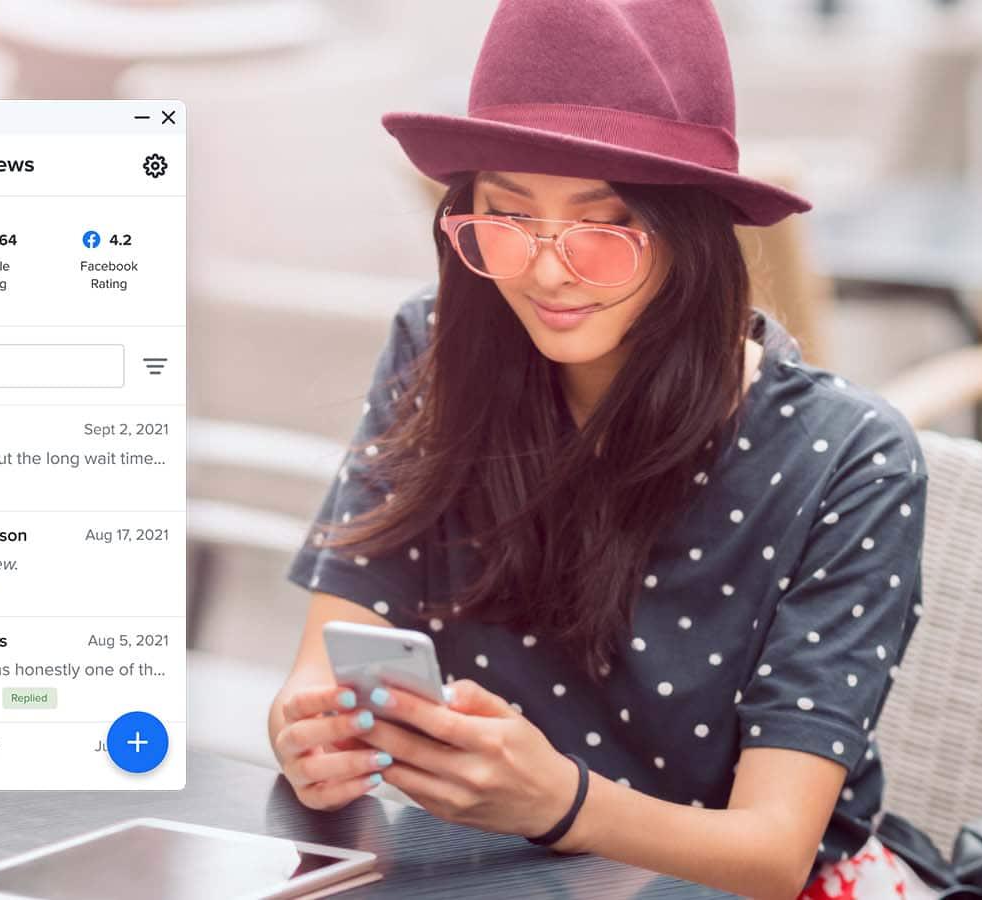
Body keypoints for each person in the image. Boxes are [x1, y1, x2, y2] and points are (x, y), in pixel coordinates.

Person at [269, 2, 934, 897]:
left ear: (692, 234)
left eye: (602, 226)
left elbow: (773, 854)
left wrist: (557, 800)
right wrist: (308, 735)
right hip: (484, 874)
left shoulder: (846, 457)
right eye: (506, 218)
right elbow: (329, 657)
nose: (547, 270)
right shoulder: (436, 354)